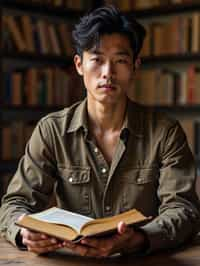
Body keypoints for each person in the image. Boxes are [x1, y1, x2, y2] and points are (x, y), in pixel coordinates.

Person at [0, 5, 199, 258]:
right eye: (97, 59)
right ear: (79, 65)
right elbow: (15, 202)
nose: (108, 73)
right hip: (71, 260)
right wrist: (24, 232)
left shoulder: (165, 133)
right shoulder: (52, 130)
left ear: (135, 66)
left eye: (120, 60)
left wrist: (139, 238)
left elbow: (184, 210)